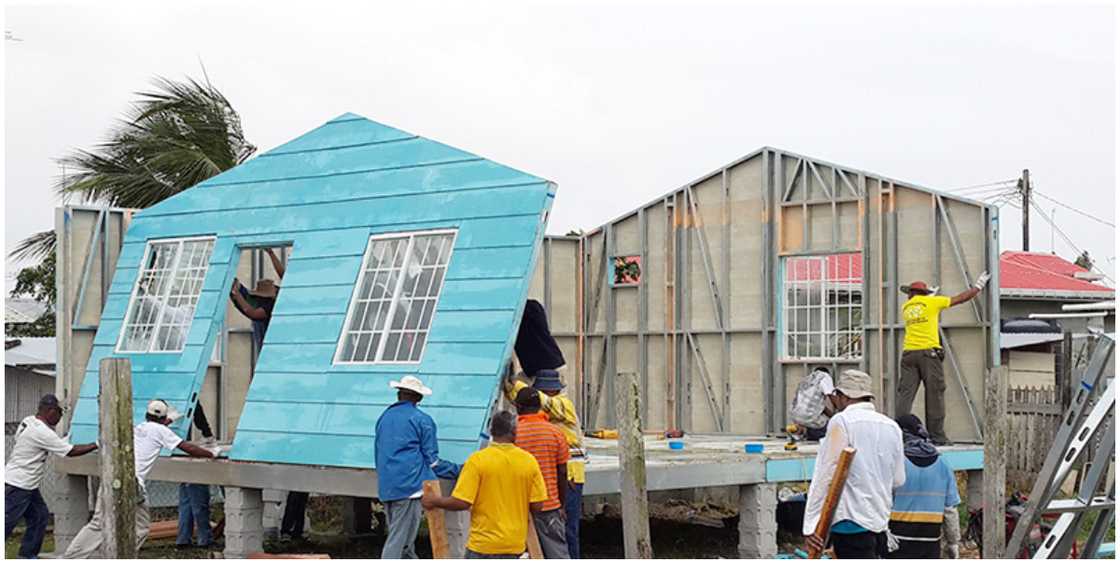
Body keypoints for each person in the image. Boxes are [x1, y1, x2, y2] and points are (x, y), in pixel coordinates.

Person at [65, 399, 219, 558]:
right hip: (133, 485)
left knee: (98, 524)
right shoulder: (161, 431)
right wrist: (212, 453)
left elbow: (156, 427)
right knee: (141, 528)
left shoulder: (137, 427)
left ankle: (71, 557)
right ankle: (117, 556)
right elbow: (188, 448)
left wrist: (170, 419)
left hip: (111, 480)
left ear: (147, 415)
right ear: (162, 419)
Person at [803, 369, 905, 559]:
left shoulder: (842, 421)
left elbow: (826, 475)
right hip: (879, 521)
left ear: (842, 396)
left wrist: (811, 524)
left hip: (849, 522)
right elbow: (898, 479)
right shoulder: (892, 426)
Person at [421, 411, 549, 559]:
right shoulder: (529, 461)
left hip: (482, 545)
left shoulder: (477, 460)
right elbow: (537, 506)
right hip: (514, 545)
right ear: (514, 431)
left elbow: (462, 502)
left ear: (491, 432)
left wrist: (434, 501)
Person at [374, 375, 461, 558]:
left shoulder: (384, 417)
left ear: (399, 395)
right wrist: (458, 470)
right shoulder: (422, 420)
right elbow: (433, 462)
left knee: (405, 542)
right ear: (419, 398)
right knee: (399, 541)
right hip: (409, 487)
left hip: (388, 485)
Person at [897, 273, 989, 445]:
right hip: (928, 355)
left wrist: (930, 296)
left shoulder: (906, 307)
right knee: (935, 395)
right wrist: (978, 287)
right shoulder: (933, 302)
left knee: (905, 395)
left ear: (910, 294)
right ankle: (937, 436)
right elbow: (960, 299)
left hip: (909, 354)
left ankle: (901, 433)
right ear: (925, 294)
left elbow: (921, 308)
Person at [5, 394, 98, 558]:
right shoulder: (42, 432)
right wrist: (97, 444)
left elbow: (52, 443)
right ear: (50, 411)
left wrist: (63, 440)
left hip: (26, 485)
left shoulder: (28, 421)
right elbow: (70, 452)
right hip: (18, 485)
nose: (60, 417)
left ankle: (27, 555)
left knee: (40, 517)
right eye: (59, 413)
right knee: (7, 522)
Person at [887, 414, 962, 559]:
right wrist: (953, 542)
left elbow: (884, 500)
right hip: (930, 540)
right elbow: (950, 510)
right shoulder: (943, 464)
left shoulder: (897, 462)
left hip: (897, 538)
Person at [512, 387, 570, 559]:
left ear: (518, 407)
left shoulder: (513, 434)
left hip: (518, 507)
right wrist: (561, 504)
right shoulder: (555, 433)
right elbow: (562, 471)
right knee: (557, 553)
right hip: (549, 505)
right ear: (539, 406)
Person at [176, 410, 217, 549]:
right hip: (188, 453)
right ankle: (204, 538)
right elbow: (196, 408)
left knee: (186, 499)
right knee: (198, 498)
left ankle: (183, 539)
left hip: (176, 454)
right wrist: (207, 435)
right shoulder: (187, 395)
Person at [789, 366, 835, 441]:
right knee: (832, 432)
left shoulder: (805, 381)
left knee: (814, 425)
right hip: (810, 420)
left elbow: (821, 408)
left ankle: (803, 432)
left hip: (796, 418)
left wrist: (833, 416)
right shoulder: (825, 377)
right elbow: (831, 395)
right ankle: (811, 433)